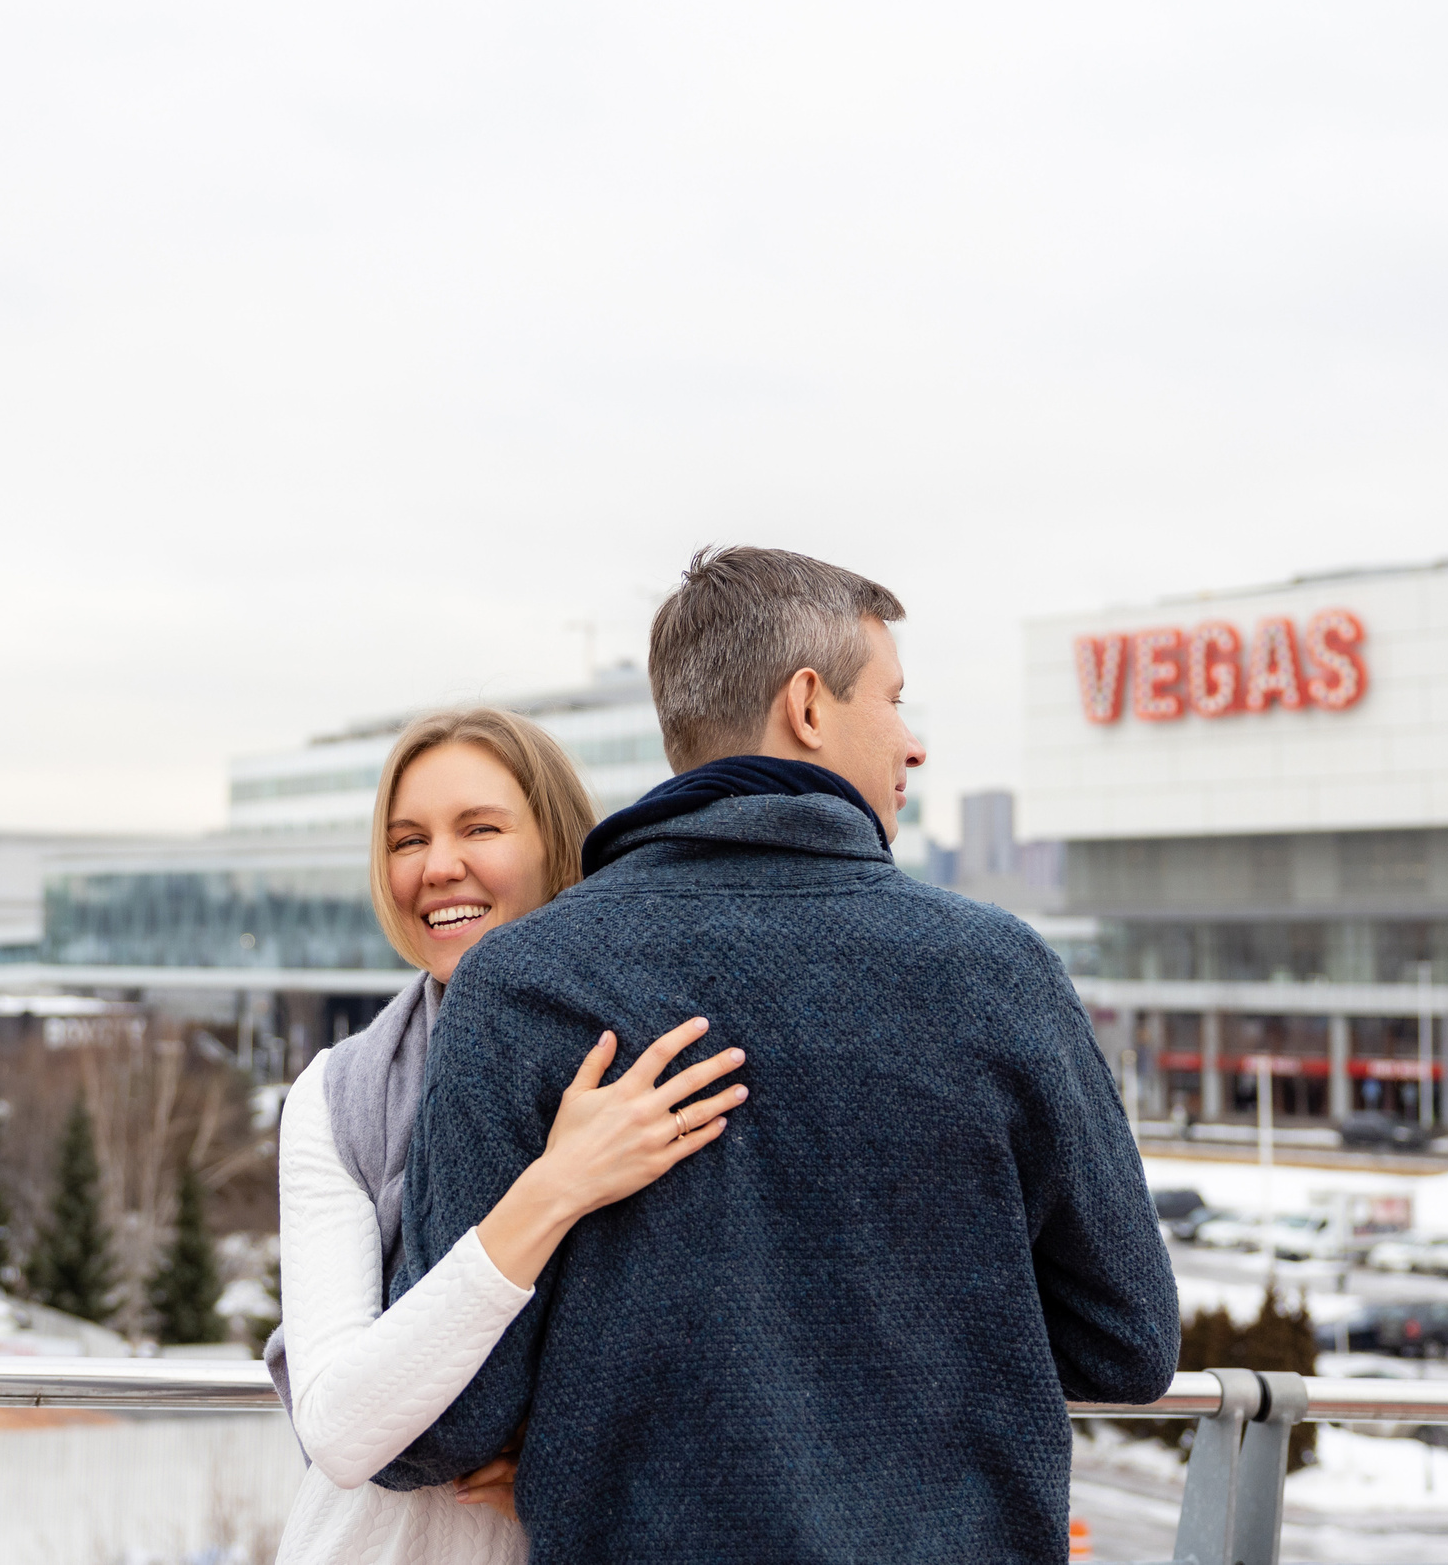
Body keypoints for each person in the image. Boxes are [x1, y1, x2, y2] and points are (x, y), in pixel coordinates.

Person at [379, 547, 1182, 1564]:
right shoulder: (997, 972)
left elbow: (445, 1419)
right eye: (893, 699)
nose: (913, 743)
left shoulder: (521, 983)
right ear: (807, 706)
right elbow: (1127, 1343)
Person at [268, 707, 749, 1565]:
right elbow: (341, 1428)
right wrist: (557, 1185)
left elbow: (738, 1361)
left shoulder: (659, 1072)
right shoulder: (340, 1096)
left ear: (558, 844)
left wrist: (565, 1456)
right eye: (408, 839)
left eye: (480, 828)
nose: (438, 865)